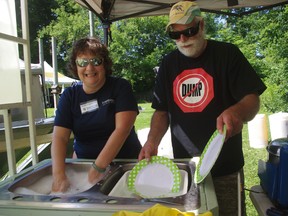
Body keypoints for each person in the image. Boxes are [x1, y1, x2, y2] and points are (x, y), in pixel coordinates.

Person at [138, 1, 266, 215]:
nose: (183, 39)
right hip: (185, 170)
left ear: (202, 25)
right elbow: (161, 111)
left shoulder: (228, 54)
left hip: (225, 168)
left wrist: (237, 111)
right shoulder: (168, 64)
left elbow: (252, 99)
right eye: (175, 35)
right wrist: (152, 142)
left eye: (189, 31)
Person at [51, 37, 142, 193]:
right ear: (75, 65)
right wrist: (59, 176)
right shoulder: (69, 96)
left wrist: (97, 168)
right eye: (82, 62)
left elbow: (122, 130)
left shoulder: (120, 87)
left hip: (125, 165)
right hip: (83, 167)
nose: (89, 68)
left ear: (105, 64)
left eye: (96, 61)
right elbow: (60, 137)